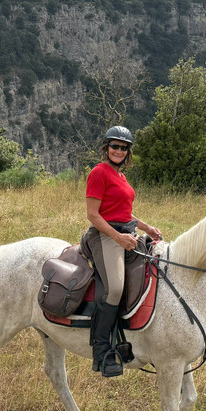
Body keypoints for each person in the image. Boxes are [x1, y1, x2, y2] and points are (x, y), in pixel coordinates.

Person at [81, 125, 162, 377]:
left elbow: (124, 212)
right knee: (115, 288)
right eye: (114, 146)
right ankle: (103, 352)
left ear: (128, 152)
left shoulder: (121, 176)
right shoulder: (99, 173)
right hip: (105, 236)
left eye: (123, 147)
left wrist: (146, 226)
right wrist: (118, 238)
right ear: (106, 148)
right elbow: (93, 215)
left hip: (126, 232)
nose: (118, 150)